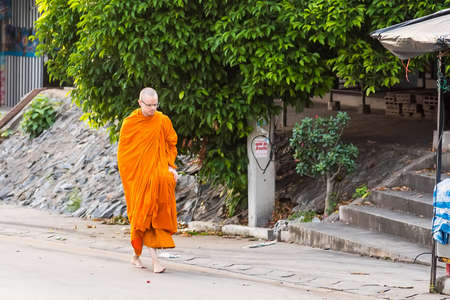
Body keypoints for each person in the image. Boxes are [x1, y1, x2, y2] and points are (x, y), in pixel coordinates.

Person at [117, 87, 178, 273]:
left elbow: (171, 144)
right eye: (149, 105)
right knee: (144, 218)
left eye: (155, 105)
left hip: (158, 178)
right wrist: (134, 176)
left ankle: (136, 256)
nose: (152, 108)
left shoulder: (162, 121)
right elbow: (124, 155)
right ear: (140, 103)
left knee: (151, 217)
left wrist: (170, 166)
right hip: (138, 180)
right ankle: (155, 262)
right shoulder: (130, 123)